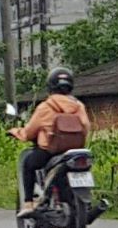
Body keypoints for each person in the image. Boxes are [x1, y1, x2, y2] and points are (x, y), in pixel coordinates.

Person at [10, 67, 90, 218]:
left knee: (28, 164)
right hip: (74, 153)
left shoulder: (46, 106)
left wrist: (16, 132)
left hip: (50, 151)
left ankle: (28, 203)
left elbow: (29, 132)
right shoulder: (79, 106)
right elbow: (86, 127)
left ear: (50, 86)